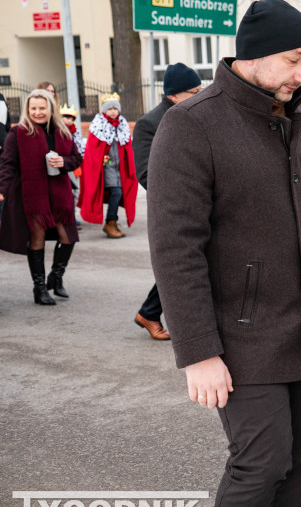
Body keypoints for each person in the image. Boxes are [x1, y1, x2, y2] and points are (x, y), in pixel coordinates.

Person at [146, 0, 301, 507]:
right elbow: (176, 249)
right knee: (263, 462)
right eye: (294, 61)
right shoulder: (191, 125)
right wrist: (198, 352)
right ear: (254, 55)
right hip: (240, 337)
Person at [131, 62, 203, 341]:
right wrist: (190, 189)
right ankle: (150, 313)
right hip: (173, 208)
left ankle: (149, 312)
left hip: (203, 203)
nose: (200, 95)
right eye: (194, 91)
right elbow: (147, 174)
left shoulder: (199, 114)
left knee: (196, 262)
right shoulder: (150, 124)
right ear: (173, 95)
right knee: (179, 264)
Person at [0, 89, 81, 305]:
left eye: (42, 108)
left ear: (50, 108)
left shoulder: (63, 131)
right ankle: (40, 288)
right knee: (37, 238)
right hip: (33, 194)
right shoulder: (18, 133)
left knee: (68, 236)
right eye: (33, 108)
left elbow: (76, 158)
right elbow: (8, 164)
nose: (37, 112)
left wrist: (64, 162)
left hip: (59, 194)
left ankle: (56, 276)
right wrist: (2, 190)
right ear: (27, 109)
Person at [80, 93, 137, 238]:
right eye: (109, 108)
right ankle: (110, 222)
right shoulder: (98, 125)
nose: (112, 111)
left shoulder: (122, 124)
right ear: (104, 110)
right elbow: (92, 149)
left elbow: (127, 147)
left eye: (115, 108)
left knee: (120, 192)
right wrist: (100, 160)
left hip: (120, 167)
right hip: (106, 167)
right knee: (117, 192)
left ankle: (112, 222)